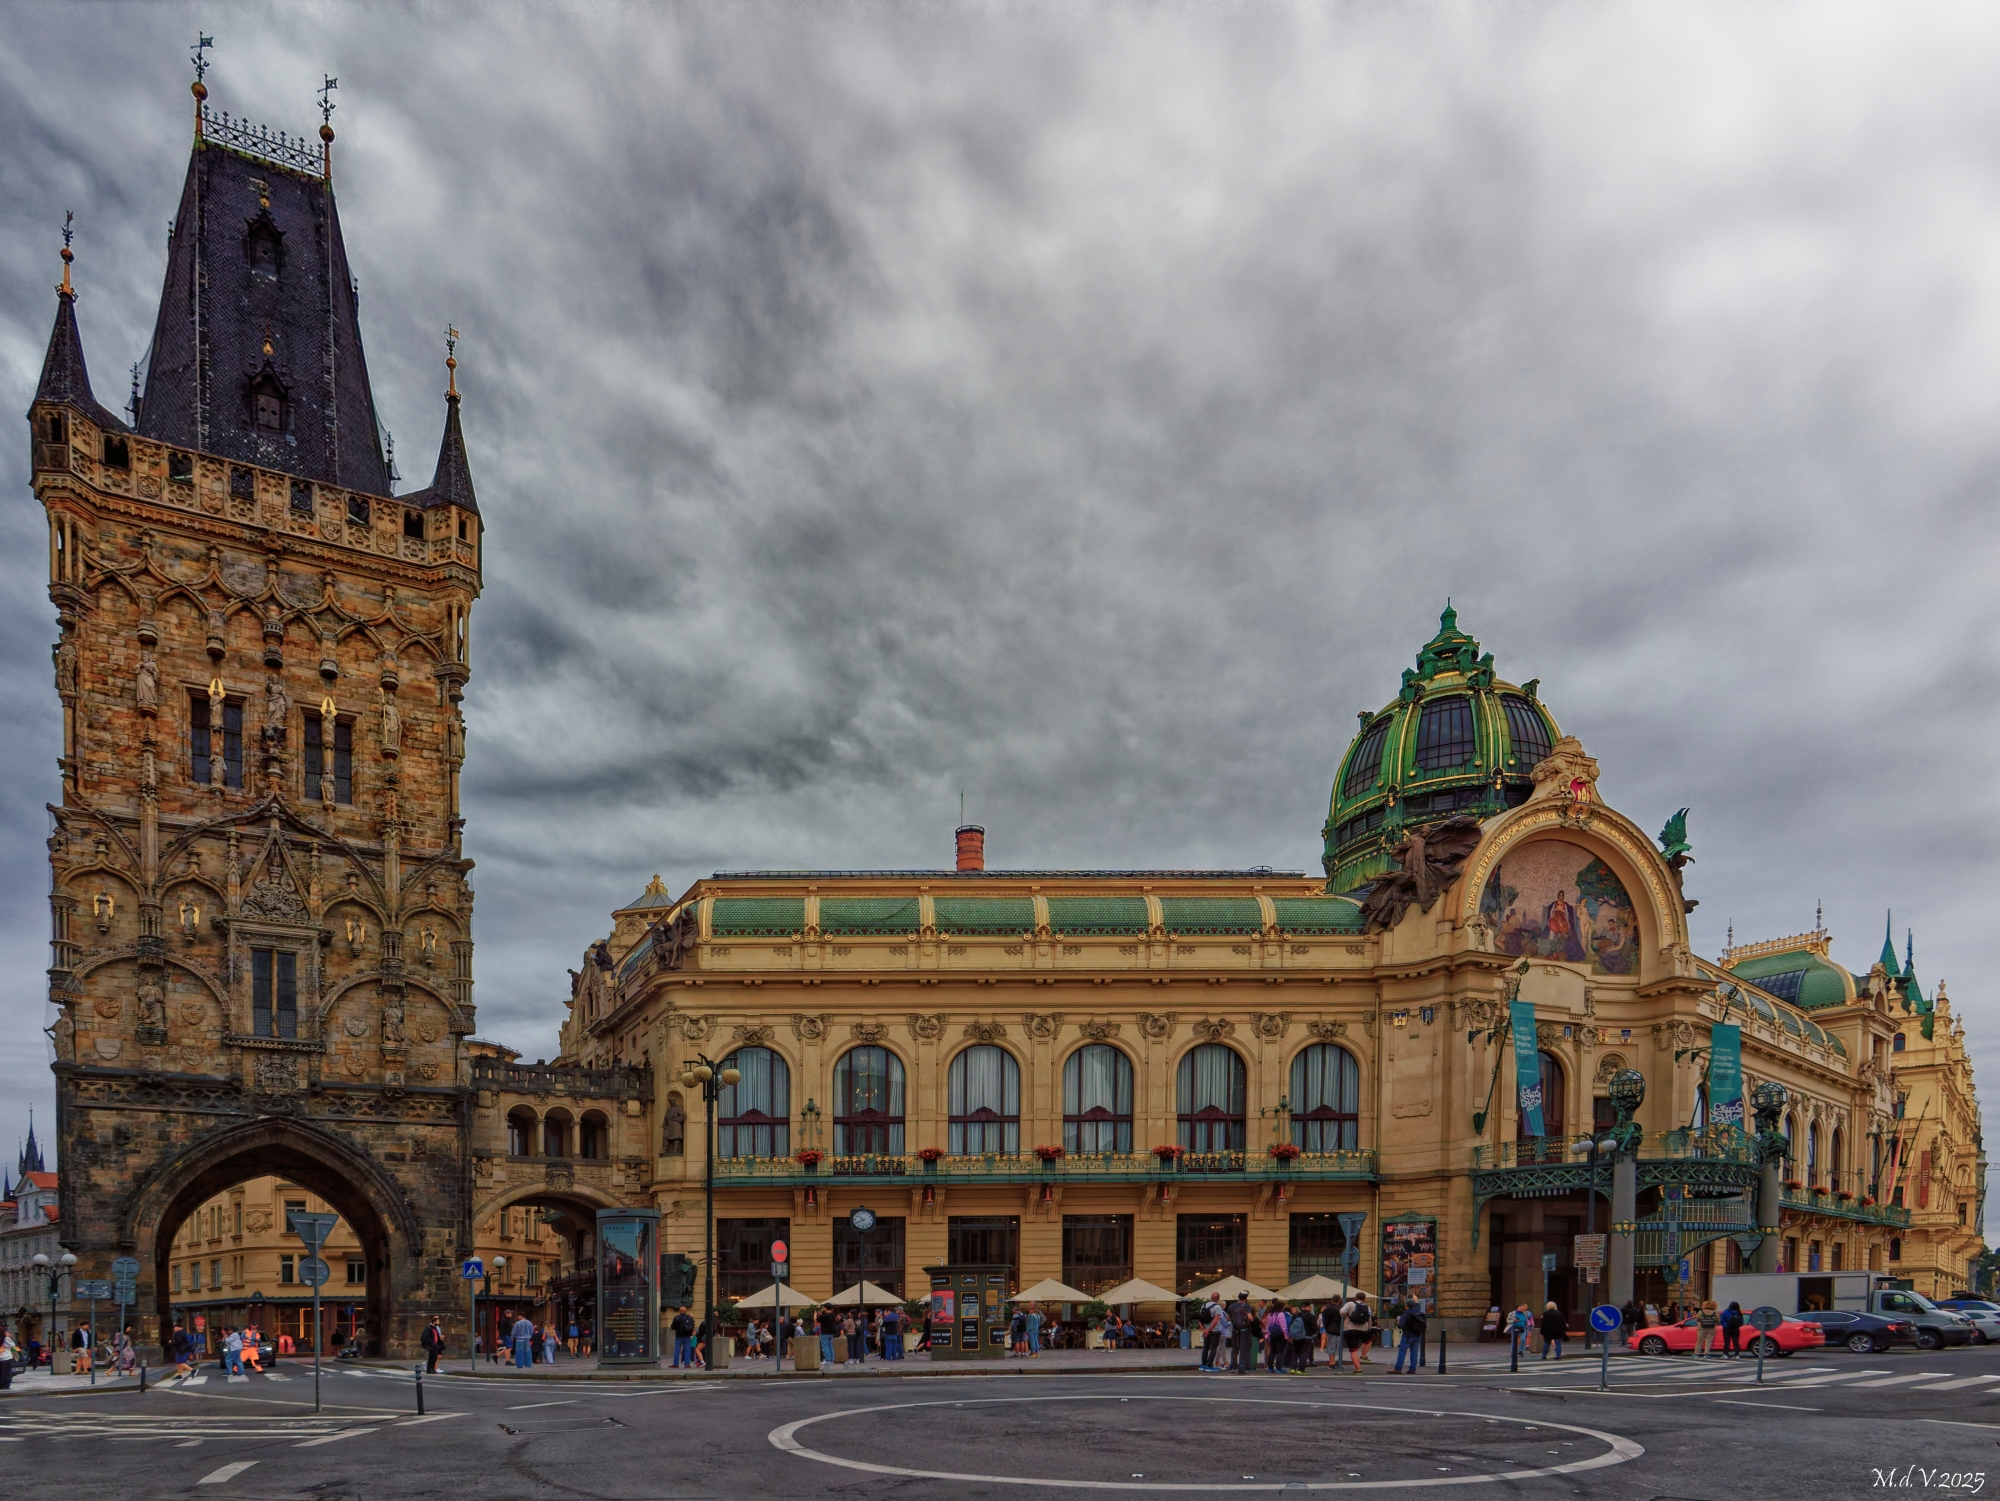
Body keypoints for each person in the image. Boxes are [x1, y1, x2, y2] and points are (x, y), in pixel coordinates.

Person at [1342, 1293, 1375, 1373]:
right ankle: (1363, 1355)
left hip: (1349, 1329)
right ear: (1364, 1299)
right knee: (1369, 1340)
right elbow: (1369, 1319)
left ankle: (1358, 1369)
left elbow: (1342, 1312)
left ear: (1355, 1298)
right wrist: (1369, 1328)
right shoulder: (1367, 1307)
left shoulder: (1350, 1304)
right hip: (1363, 1329)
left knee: (1353, 1350)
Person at [1394, 1301, 1427, 1374]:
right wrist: (1416, 1301)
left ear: (1406, 1306)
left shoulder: (1405, 1314)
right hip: (1417, 1335)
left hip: (1407, 1335)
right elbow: (1418, 1307)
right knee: (1414, 1353)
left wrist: (1398, 1321)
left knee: (1402, 1351)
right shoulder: (1418, 1312)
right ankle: (1412, 1369)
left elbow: (1401, 1325)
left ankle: (1398, 1368)